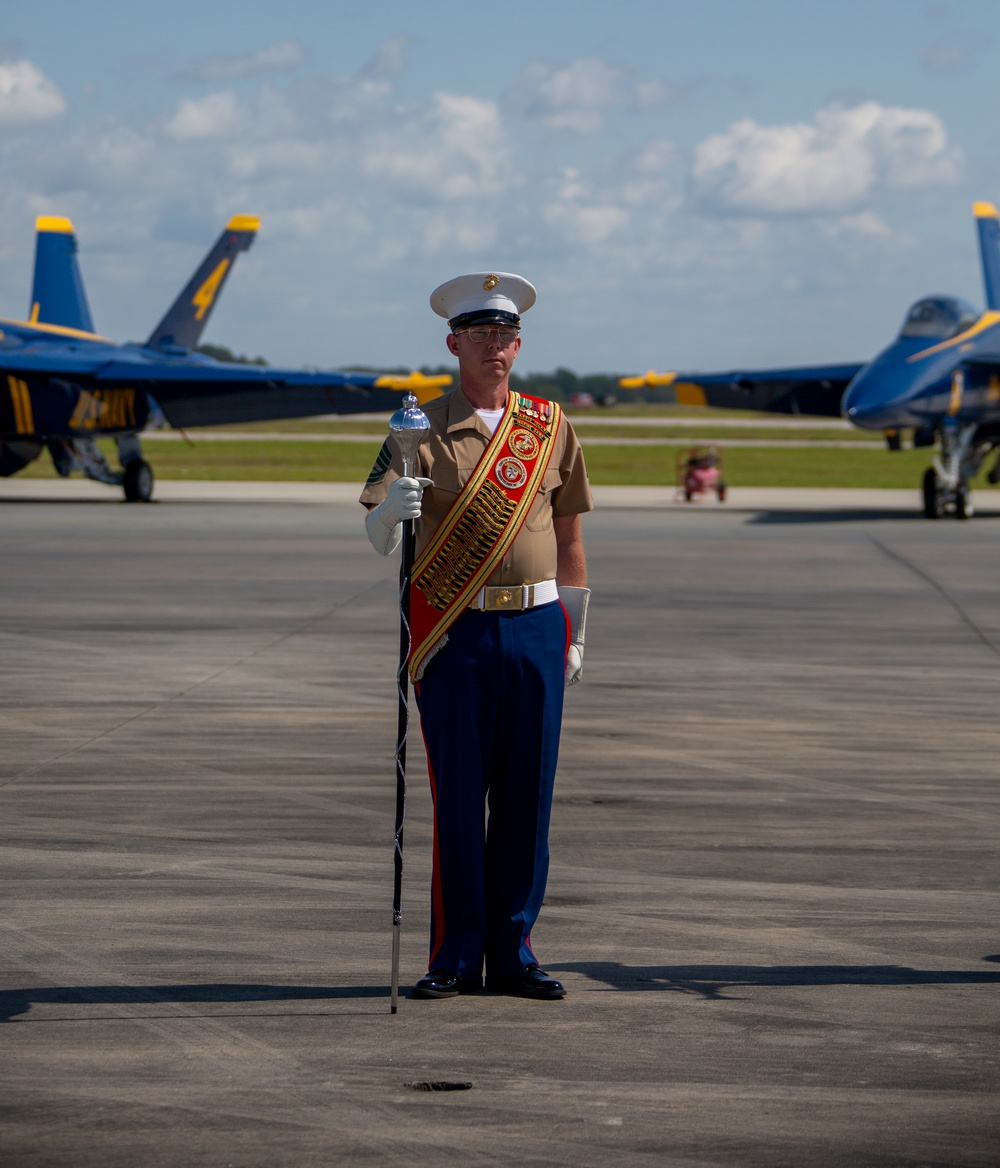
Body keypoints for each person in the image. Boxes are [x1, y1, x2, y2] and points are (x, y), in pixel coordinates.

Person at [359, 272, 593, 1000]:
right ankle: (457, 954)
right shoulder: (416, 429)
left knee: (529, 797)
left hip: (537, 628)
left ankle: (515, 949)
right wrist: (389, 511)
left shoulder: (550, 428)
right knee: (459, 797)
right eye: (481, 335)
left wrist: (576, 632)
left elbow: (570, 534)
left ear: (518, 345)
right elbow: (374, 535)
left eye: (506, 335)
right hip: (455, 634)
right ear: (453, 342)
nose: (495, 347)